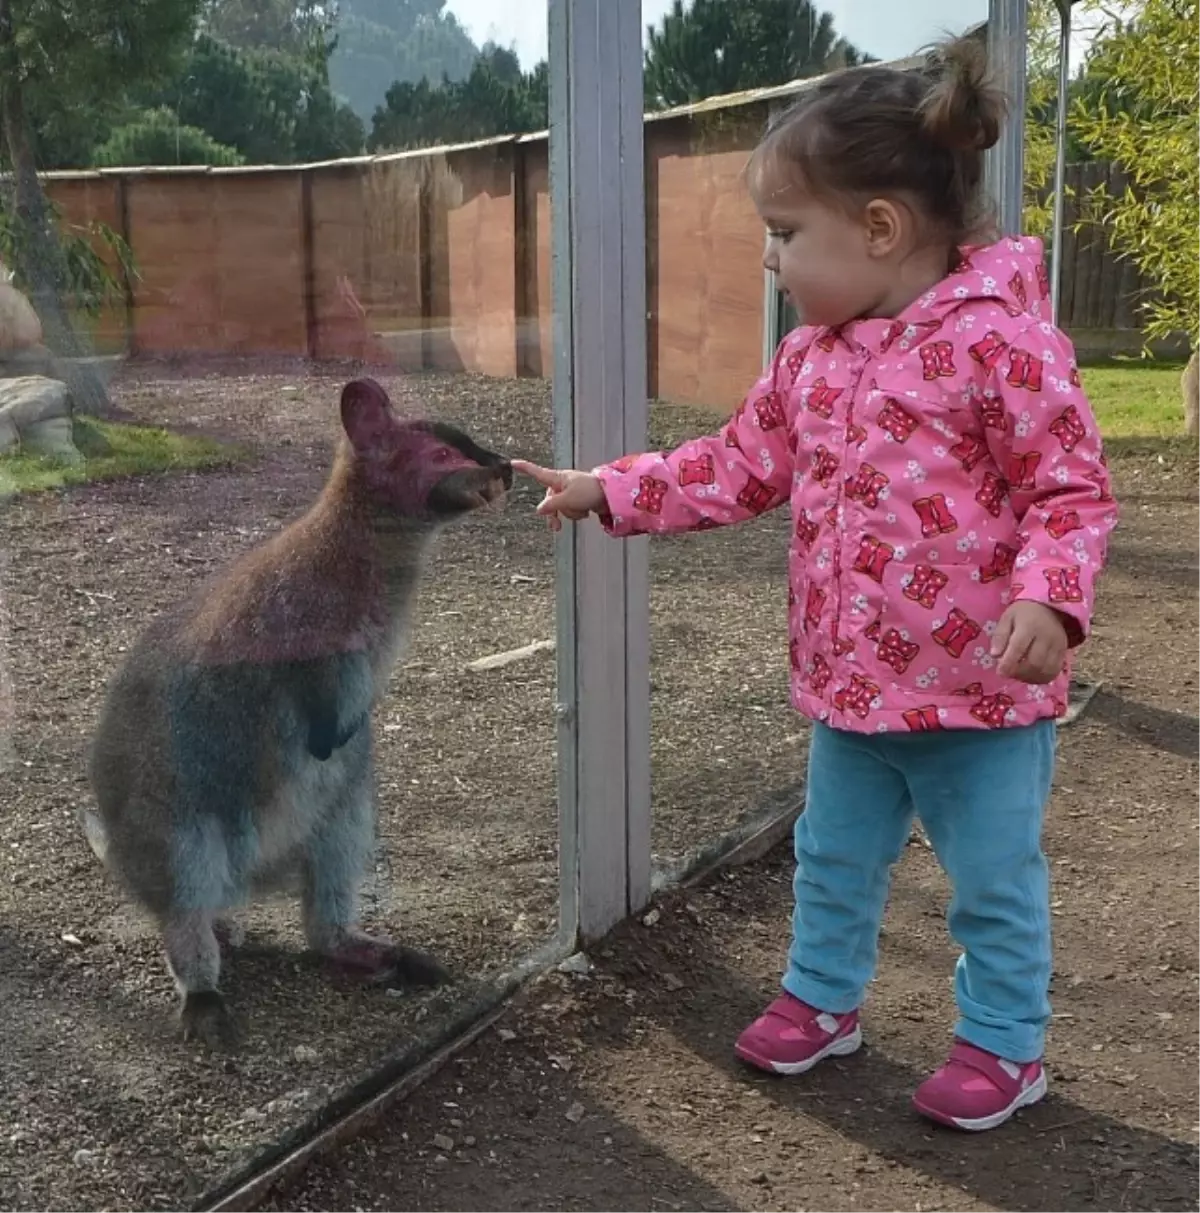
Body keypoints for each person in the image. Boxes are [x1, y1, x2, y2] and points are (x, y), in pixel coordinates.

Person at [513, 34, 1117, 1133]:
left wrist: (1050, 597)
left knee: (991, 886)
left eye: (786, 235)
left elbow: (1070, 491)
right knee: (831, 857)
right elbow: (737, 463)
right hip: (852, 691)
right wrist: (614, 487)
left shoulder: (1003, 347)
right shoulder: (812, 361)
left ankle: (1001, 1047)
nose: (770, 260)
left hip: (979, 699)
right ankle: (824, 1000)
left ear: (879, 228)